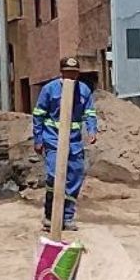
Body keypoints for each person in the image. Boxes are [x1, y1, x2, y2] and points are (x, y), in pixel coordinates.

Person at [31, 57, 99, 232]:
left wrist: (92, 130)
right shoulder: (50, 89)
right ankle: (50, 215)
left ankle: (67, 217)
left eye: (74, 74)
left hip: (74, 141)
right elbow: (38, 114)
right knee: (55, 176)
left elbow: (89, 112)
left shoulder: (83, 90)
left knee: (74, 176)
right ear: (61, 72)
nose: (71, 77)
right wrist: (38, 139)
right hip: (53, 139)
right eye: (68, 73)